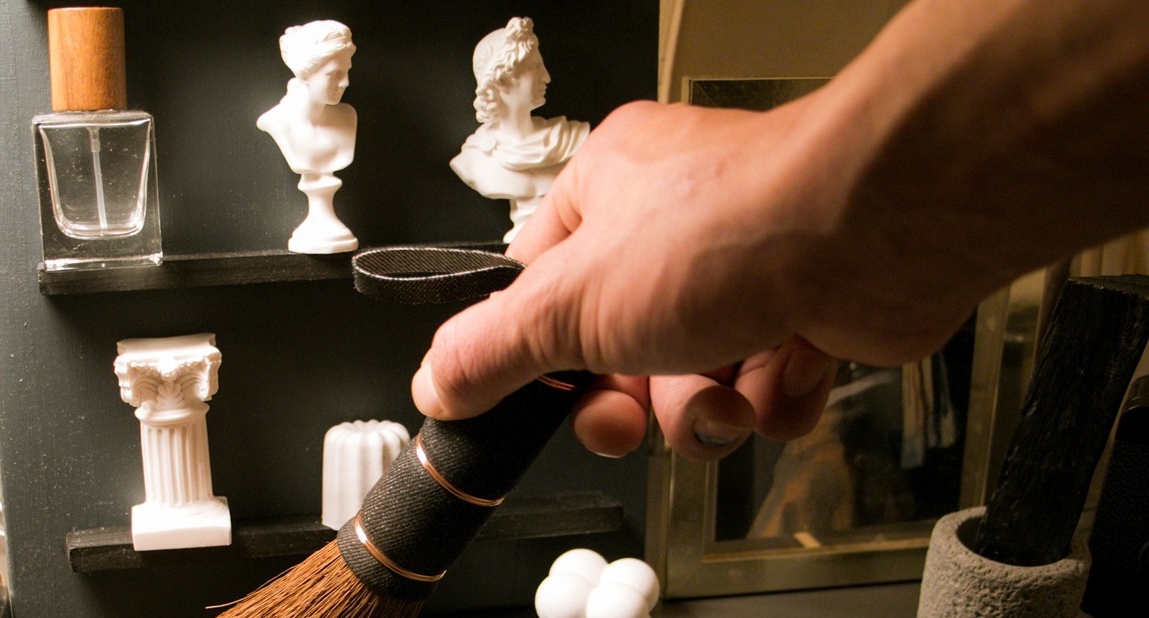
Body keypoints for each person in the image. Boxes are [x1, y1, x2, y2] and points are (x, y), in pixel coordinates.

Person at [413, 0, 1149, 464]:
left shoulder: (571, 145)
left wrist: (816, 207)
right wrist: (846, 228)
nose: (543, 81)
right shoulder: (481, 159)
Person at [450, 17, 590, 243]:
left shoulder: (570, 139)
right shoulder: (475, 159)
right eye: (535, 68)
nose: (546, 77)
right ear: (502, 80)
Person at [257, 20, 358, 253]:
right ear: (306, 73)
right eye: (334, 74)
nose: (346, 82)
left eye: (347, 72)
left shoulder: (348, 117)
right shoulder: (277, 122)